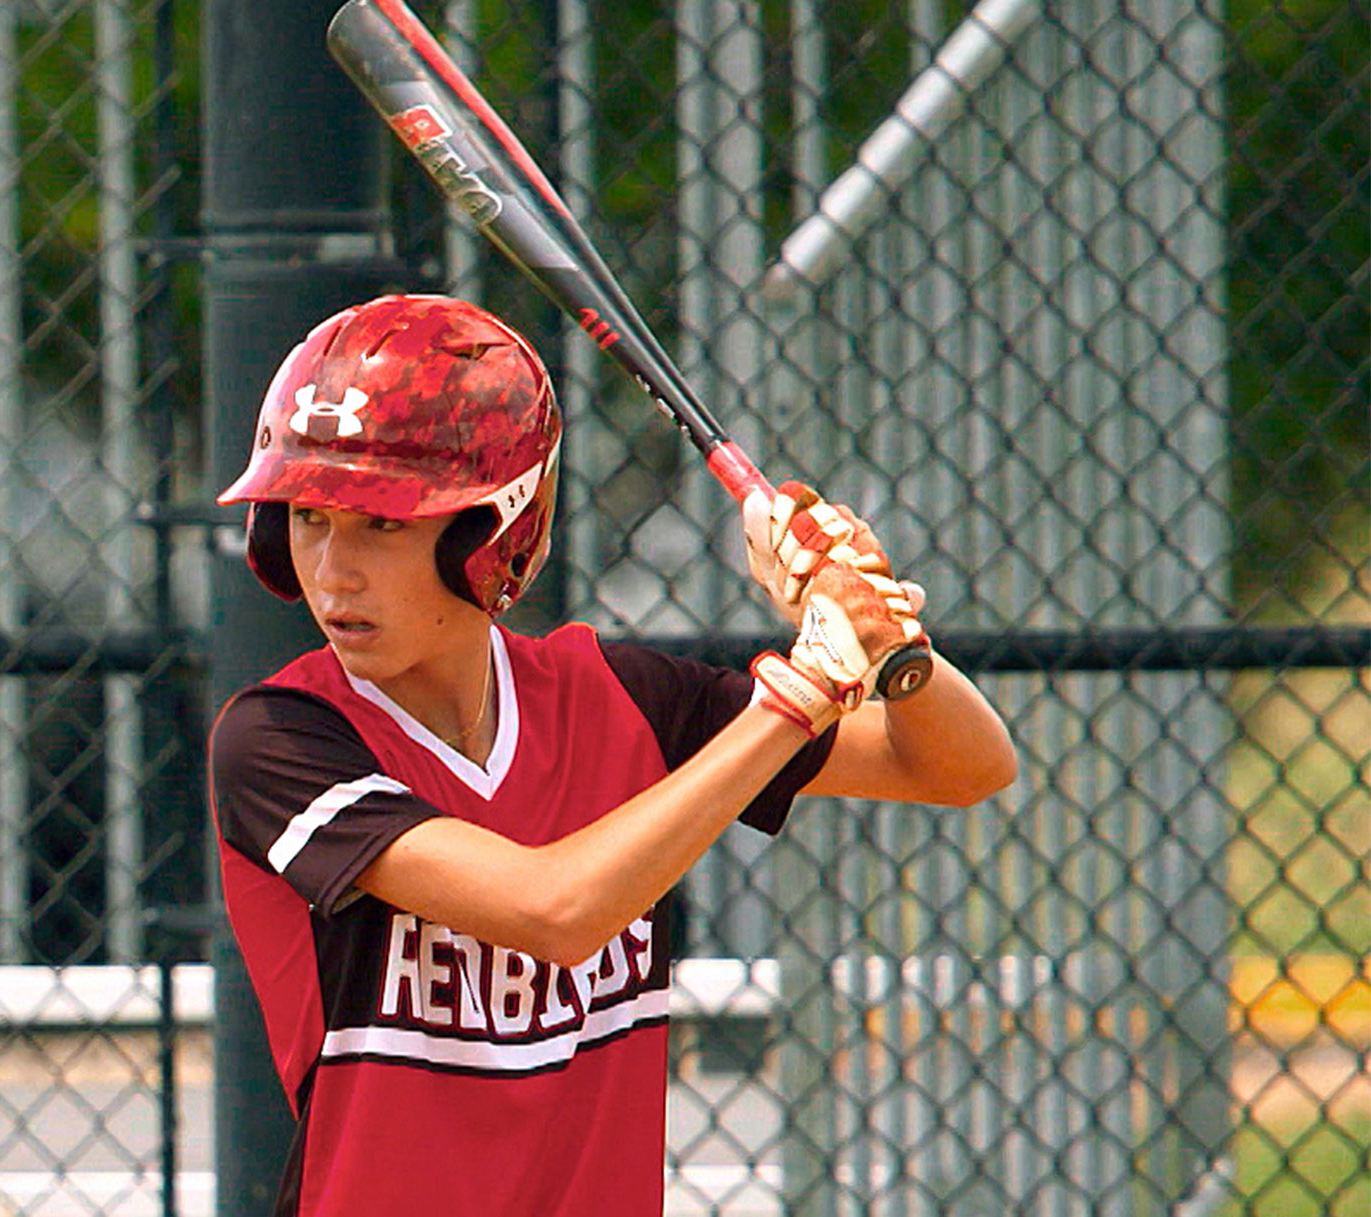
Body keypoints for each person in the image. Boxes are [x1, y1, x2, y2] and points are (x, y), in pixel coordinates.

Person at [208, 294, 1016, 1216]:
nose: (331, 569)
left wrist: (881, 636)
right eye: (308, 518)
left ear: (491, 530)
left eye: (382, 524)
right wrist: (800, 692)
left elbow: (961, 765)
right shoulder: (280, 737)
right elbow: (552, 910)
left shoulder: (616, 699)